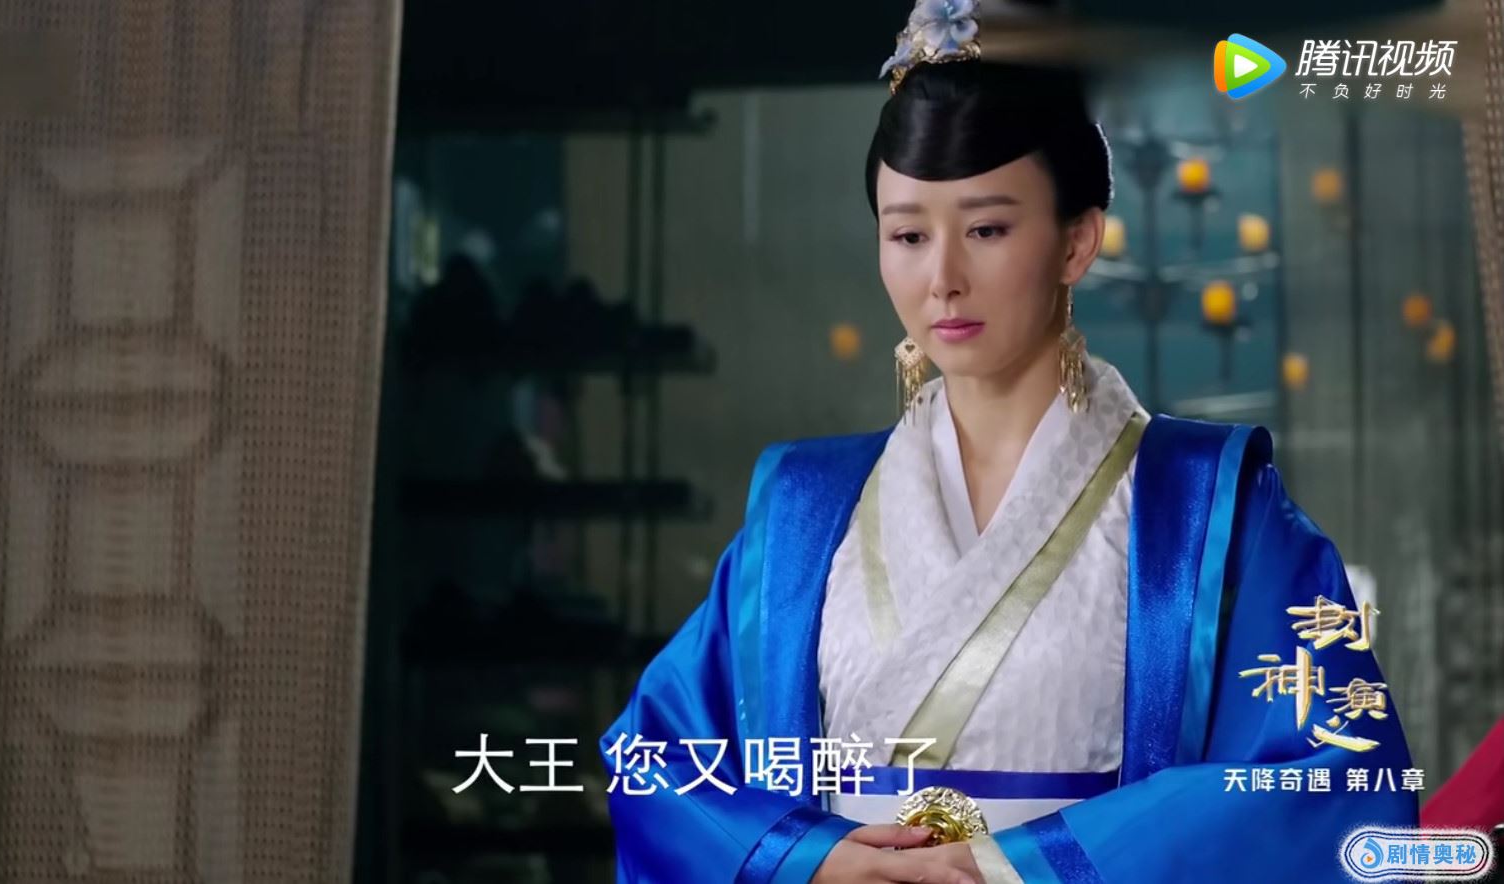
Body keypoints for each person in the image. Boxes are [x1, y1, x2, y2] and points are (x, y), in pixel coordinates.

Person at [600, 1, 1417, 880]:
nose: (942, 278)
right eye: (907, 235)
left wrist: (1028, 864)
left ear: (1077, 241)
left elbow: (1333, 772)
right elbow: (655, 758)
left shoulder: (1207, 506)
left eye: (986, 229)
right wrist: (813, 859)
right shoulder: (803, 512)